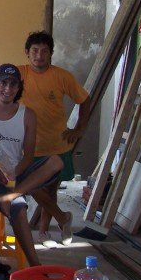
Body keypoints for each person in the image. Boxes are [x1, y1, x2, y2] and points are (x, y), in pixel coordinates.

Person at [0, 64, 63, 266]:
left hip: (14, 172)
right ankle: (35, 265)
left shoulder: (27, 115)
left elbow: (28, 156)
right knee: (19, 208)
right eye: (3, 83)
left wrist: (13, 173)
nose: (8, 89)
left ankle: (13, 194)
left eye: (13, 84)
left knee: (56, 161)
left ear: (18, 87)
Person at [19, 31, 91, 247]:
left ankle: (43, 233)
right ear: (27, 53)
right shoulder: (19, 74)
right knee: (29, 185)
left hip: (56, 144)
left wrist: (79, 129)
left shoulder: (62, 76)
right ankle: (62, 218)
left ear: (51, 53)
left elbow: (85, 100)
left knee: (50, 191)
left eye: (44, 51)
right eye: (35, 51)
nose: (39, 55)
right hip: (27, 146)